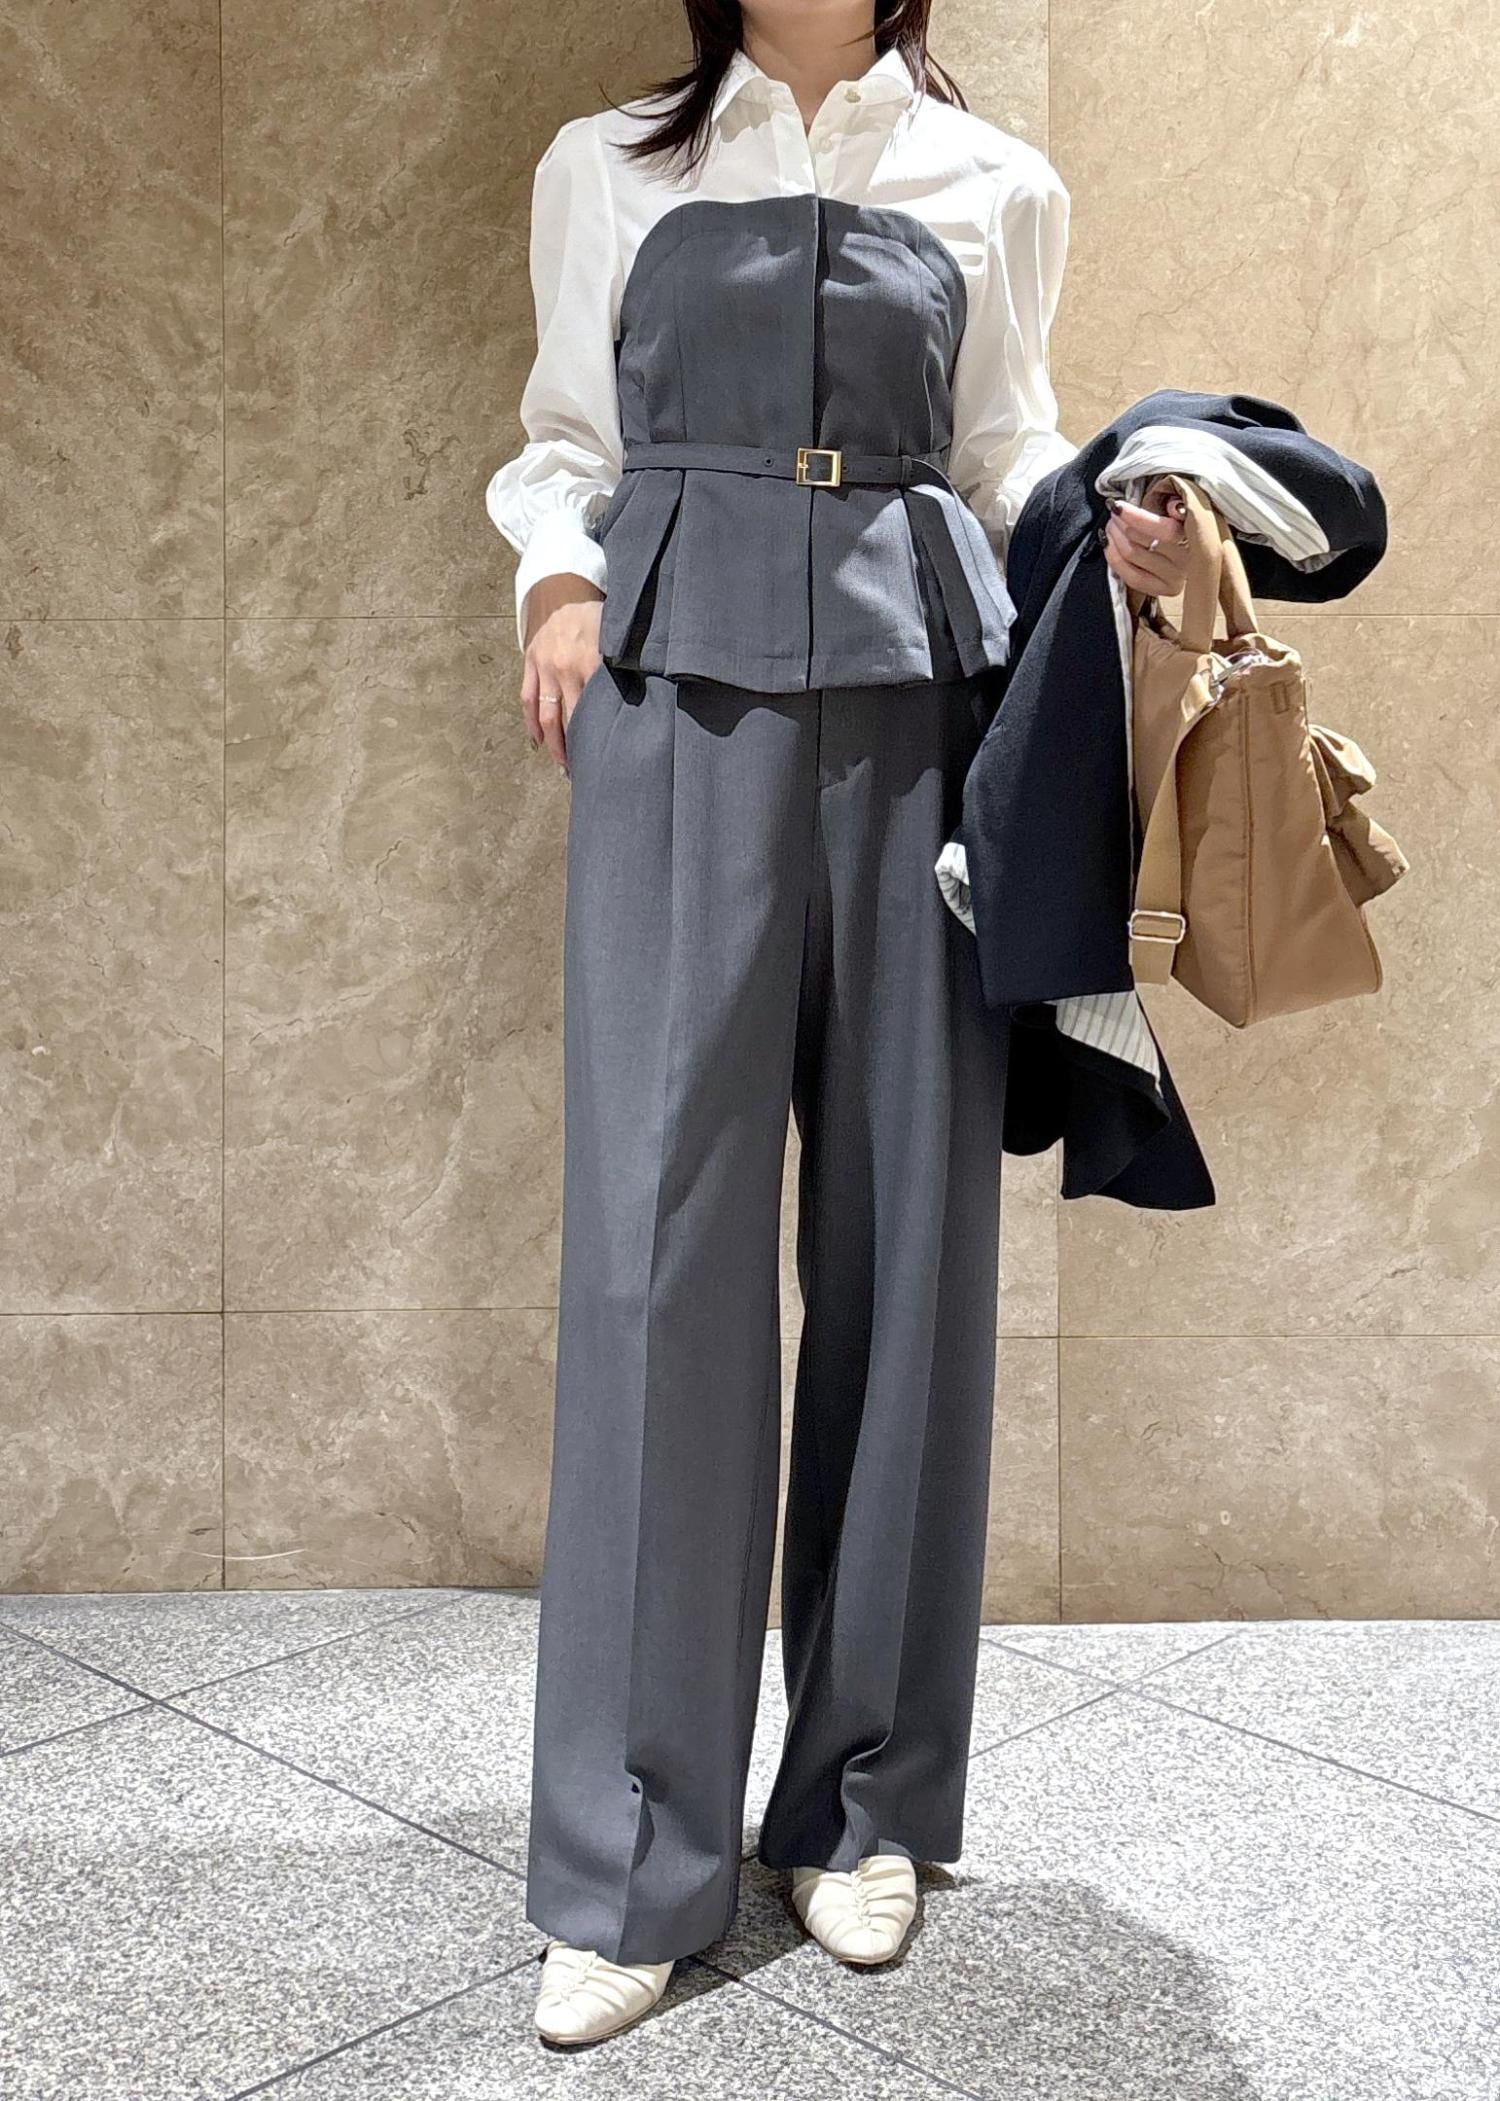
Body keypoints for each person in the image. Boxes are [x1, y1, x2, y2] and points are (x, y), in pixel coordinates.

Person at [485, 0, 1189, 2048]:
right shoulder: (610, 163)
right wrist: (553, 583)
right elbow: (565, 440)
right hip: (672, 696)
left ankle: (868, 1797)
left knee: (909, 1243)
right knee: (657, 1258)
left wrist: (1112, 515)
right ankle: (632, 1850)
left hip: (921, 707)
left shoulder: (995, 182)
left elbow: (1001, 448)